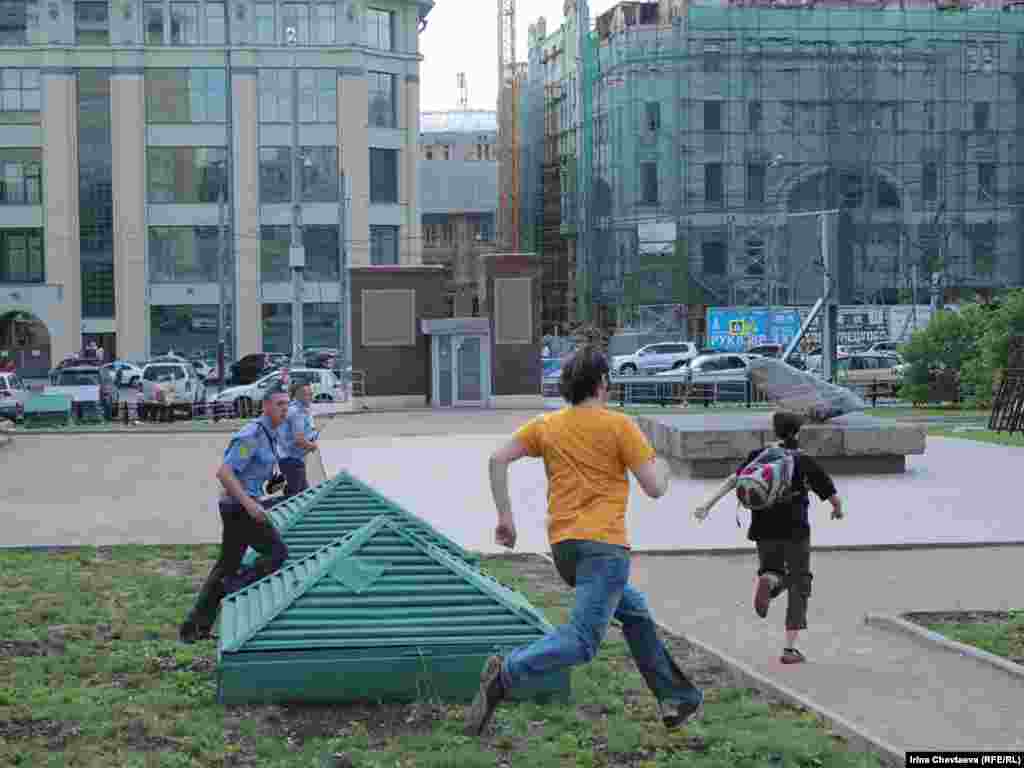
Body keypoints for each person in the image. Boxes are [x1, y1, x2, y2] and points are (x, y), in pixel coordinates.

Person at [464, 345, 704, 736]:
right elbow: (655, 488)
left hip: (565, 551)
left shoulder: (546, 425)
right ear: (603, 383)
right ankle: (506, 674)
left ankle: (675, 697)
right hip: (604, 549)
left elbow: (497, 459)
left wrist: (506, 518)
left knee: (636, 614)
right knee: (581, 642)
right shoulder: (619, 426)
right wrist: (664, 466)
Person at [693, 411, 844, 665]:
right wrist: (837, 510)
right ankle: (789, 649)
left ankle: (769, 579)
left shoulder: (759, 456)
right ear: (797, 432)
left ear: (775, 431)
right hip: (795, 530)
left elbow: (734, 480)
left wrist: (707, 505)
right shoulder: (804, 461)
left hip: (763, 529)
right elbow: (831, 494)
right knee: (799, 582)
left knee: (772, 569)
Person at [178, 385, 292, 643]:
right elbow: (225, 473)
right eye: (279, 404)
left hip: (243, 505)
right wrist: (250, 505)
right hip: (239, 509)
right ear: (265, 406)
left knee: (226, 565)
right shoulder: (251, 435)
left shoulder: (270, 434)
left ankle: (193, 629)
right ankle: (232, 588)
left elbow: (256, 472)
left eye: (287, 404)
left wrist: (273, 491)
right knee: (277, 553)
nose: (284, 409)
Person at [279, 380, 318, 498]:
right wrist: (312, 446)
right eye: (308, 394)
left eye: (311, 393)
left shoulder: (296, 409)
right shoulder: (297, 412)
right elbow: (299, 440)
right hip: (292, 460)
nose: (311, 397)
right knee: (297, 497)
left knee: (301, 495)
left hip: (292, 459)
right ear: (298, 395)